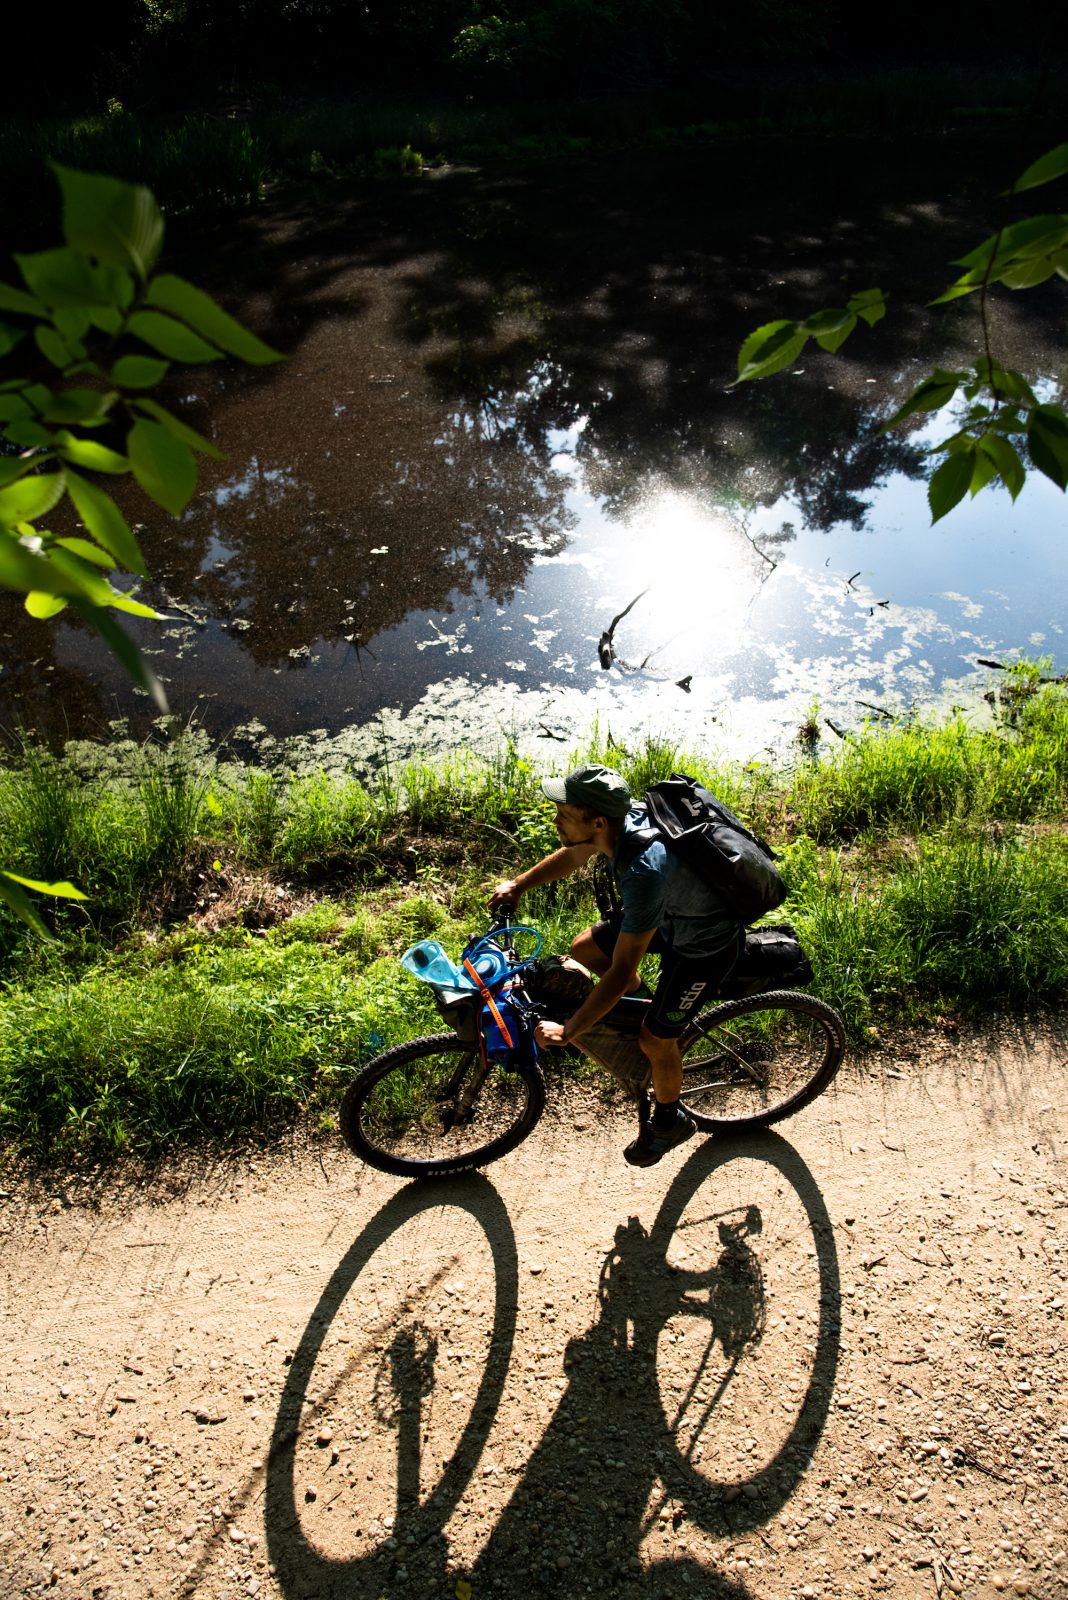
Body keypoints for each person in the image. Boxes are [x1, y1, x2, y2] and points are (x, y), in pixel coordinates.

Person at [488, 763, 744, 1167]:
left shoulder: (643, 872)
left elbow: (622, 971)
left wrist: (569, 1030)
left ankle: (669, 1120)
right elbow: (576, 853)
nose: (555, 821)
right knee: (585, 949)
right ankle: (643, 1016)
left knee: (655, 1041)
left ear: (598, 822)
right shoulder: (618, 822)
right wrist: (518, 885)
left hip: (703, 944)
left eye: (564, 815)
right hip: (669, 914)